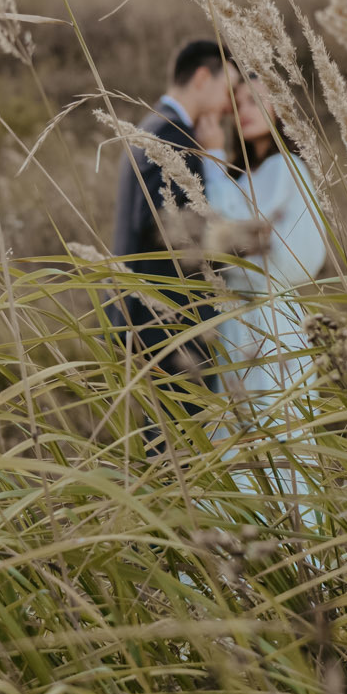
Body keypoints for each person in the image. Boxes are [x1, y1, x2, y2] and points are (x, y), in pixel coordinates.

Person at [200, 73, 329, 502]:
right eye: (239, 102)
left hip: (270, 323)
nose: (247, 109)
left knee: (272, 435)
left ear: (279, 110)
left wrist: (212, 154)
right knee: (237, 439)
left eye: (257, 100)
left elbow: (237, 227)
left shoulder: (285, 168)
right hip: (239, 323)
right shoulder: (245, 176)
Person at [106, 39, 236, 425]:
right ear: (201, 78)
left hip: (159, 320)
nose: (228, 105)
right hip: (167, 323)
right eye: (226, 89)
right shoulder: (169, 135)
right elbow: (163, 223)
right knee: (178, 448)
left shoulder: (159, 127)